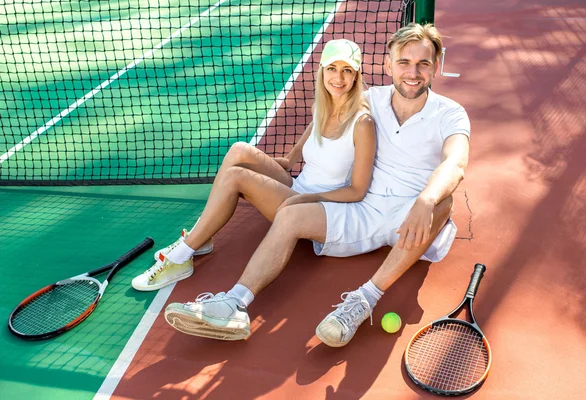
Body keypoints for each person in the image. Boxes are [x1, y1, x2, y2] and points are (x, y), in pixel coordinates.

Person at [163, 23, 470, 345]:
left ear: (436, 67)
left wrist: (425, 200)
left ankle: (364, 299)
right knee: (290, 215)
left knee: (443, 202)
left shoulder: (450, 114)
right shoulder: (373, 99)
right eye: (404, 62)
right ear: (388, 65)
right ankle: (234, 304)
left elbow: (456, 162)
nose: (413, 72)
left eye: (423, 63)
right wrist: (293, 157)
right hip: (361, 209)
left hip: (407, 215)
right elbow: (327, 113)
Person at [132, 39, 376, 298]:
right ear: (322, 70)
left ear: (356, 75)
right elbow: (313, 128)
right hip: (299, 188)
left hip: (318, 208)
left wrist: (309, 197)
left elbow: (357, 191)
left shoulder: (362, 123)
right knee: (240, 150)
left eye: (347, 70)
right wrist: (290, 159)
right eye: (332, 68)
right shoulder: (323, 106)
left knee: (236, 177)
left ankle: (181, 258)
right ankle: (200, 238)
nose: (338, 77)